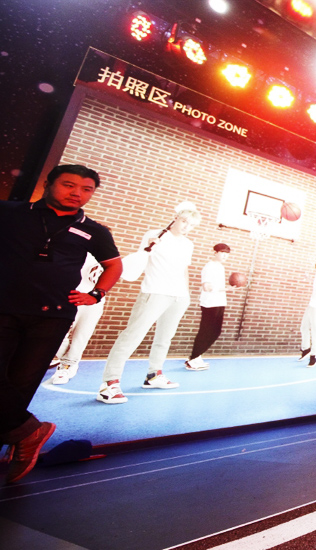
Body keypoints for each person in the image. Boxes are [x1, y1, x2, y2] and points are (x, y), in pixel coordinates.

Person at [0, 165, 122, 483]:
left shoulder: (94, 230)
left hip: (52, 316)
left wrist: (96, 294)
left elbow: (113, 266)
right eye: (69, 185)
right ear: (49, 183)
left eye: (86, 189)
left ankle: (17, 445)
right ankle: (30, 432)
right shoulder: (10, 213)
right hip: (4, 309)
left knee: (22, 385)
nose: (77, 193)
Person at [98, 202, 200, 404]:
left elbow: (184, 270)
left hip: (178, 296)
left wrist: (186, 295)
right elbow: (140, 260)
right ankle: (109, 383)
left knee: (164, 338)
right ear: (176, 218)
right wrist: (150, 245)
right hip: (154, 292)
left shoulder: (188, 244)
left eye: (191, 225)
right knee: (132, 336)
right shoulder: (155, 235)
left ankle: (154, 375)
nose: (186, 227)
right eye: (184, 221)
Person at [49, 254, 106, 384]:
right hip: (68, 297)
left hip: (93, 301)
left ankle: (67, 365)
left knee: (81, 335)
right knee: (56, 332)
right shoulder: (74, 250)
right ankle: (65, 359)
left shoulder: (106, 254)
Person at [185, 243, 231, 371]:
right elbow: (206, 287)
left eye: (227, 254)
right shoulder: (209, 267)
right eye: (222, 253)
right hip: (210, 303)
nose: (225, 256)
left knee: (214, 332)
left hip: (219, 302)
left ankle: (196, 356)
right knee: (207, 332)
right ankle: (193, 359)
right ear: (215, 253)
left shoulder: (220, 267)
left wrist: (225, 289)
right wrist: (226, 289)